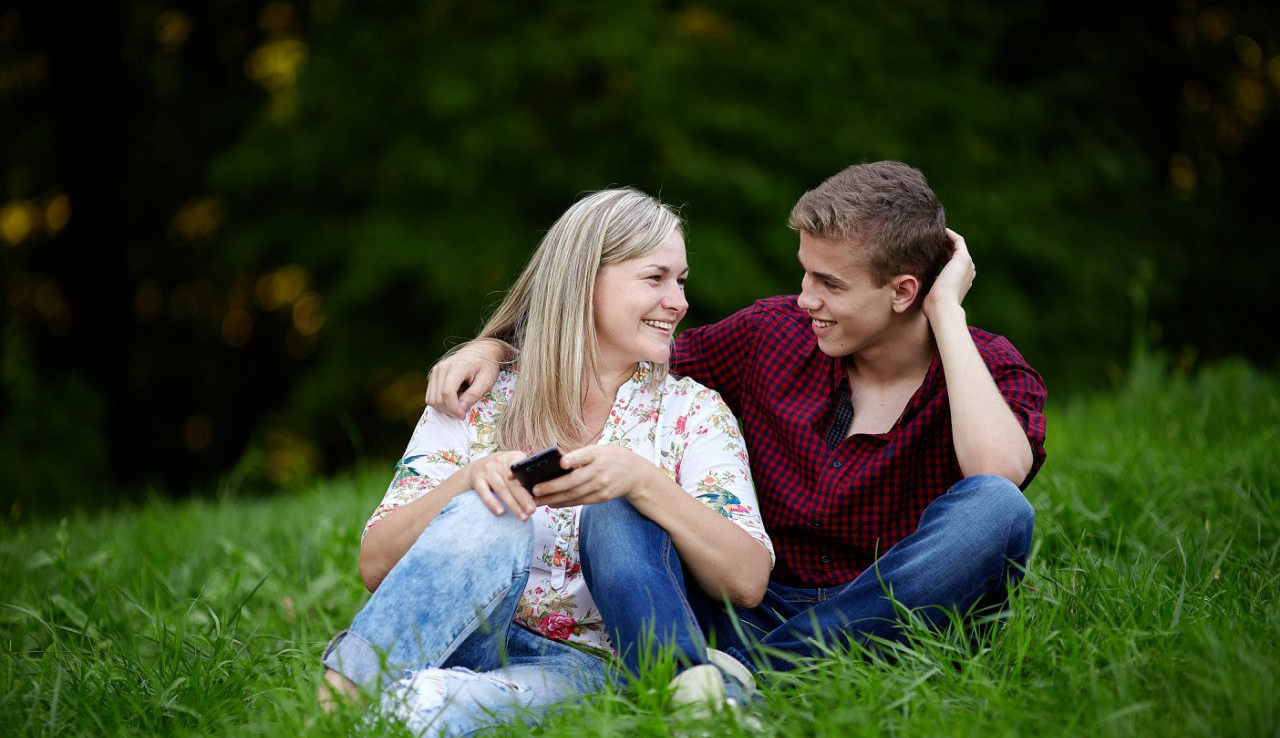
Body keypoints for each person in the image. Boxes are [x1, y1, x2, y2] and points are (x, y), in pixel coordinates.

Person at [426, 161, 1047, 674]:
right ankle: (708, 683)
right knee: (621, 501)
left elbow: (997, 474)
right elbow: (615, 347)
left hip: (891, 617)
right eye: (805, 273)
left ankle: (739, 682)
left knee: (997, 511)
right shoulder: (771, 333)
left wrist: (949, 316)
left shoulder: (985, 368)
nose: (806, 298)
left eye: (829, 284)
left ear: (904, 292)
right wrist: (498, 348)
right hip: (736, 611)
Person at [319, 188, 773, 738]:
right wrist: (468, 480)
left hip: (583, 665)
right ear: (585, 280)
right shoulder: (478, 397)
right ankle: (340, 696)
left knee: (422, 712)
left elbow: (748, 580)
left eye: (681, 281)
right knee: (489, 509)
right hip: (466, 630)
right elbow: (376, 564)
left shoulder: (693, 413)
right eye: (655, 278)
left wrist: (643, 481)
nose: (678, 301)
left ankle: (379, 716)